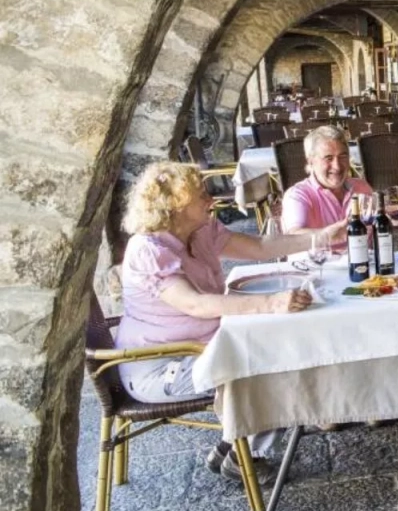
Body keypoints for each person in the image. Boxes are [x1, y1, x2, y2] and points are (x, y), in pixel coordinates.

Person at [116, 161, 344, 482]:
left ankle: (233, 442)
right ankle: (245, 455)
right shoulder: (148, 250)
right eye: (201, 196)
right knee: (270, 364)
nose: (211, 200)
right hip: (160, 365)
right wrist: (272, 303)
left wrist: (321, 237)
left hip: (205, 346)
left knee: (280, 343)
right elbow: (196, 304)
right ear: (175, 206)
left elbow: (261, 246)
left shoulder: (201, 230)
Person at [281, 126, 374, 234]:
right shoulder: (298, 195)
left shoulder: (361, 187)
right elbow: (293, 237)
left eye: (342, 156)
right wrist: (328, 235)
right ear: (311, 161)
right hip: (321, 251)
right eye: (328, 158)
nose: (337, 166)